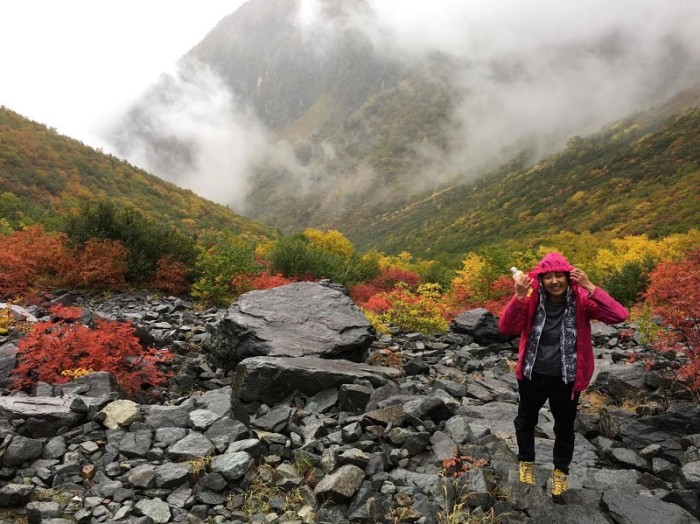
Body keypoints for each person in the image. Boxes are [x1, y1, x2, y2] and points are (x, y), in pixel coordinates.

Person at [498, 252, 628, 502]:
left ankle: (560, 471)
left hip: (567, 378)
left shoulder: (582, 301)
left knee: (564, 427)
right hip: (532, 373)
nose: (554, 281)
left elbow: (619, 315)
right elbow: (506, 328)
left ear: (569, 278)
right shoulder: (531, 300)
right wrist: (518, 295)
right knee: (525, 420)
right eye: (548, 276)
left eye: (560, 275)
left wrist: (590, 286)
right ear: (541, 279)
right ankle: (526, 464)